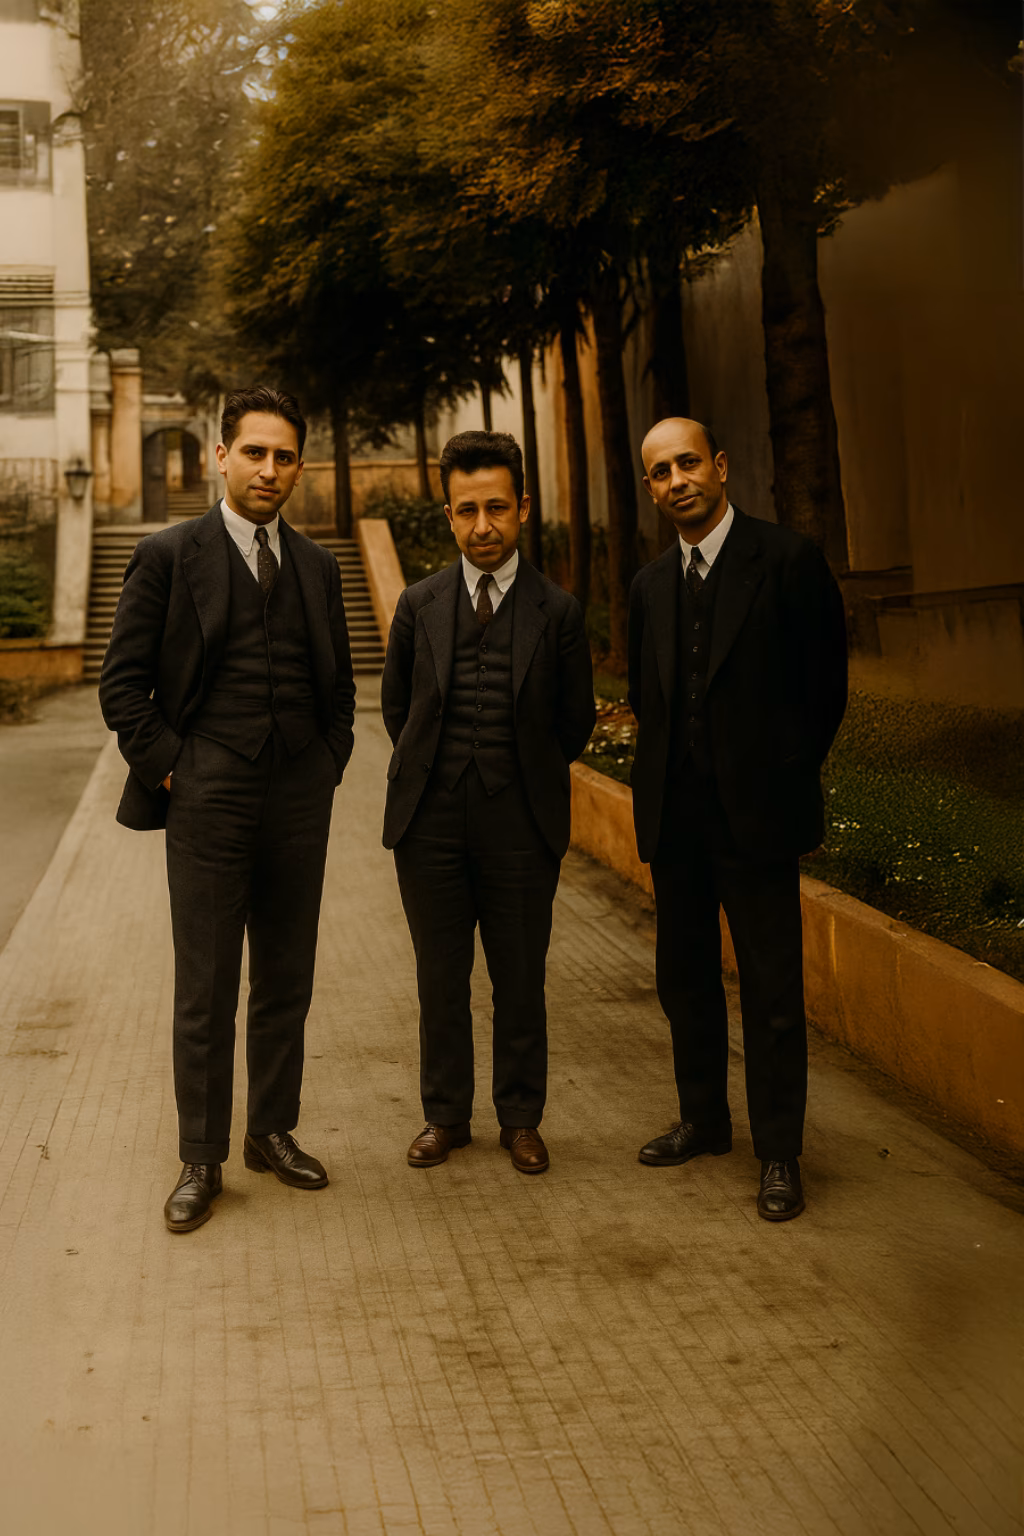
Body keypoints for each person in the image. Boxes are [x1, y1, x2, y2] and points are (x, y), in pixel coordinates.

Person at [99, 386, 355, 1233]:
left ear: (298, 467)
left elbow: (341, 690)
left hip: (296, 798)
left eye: (284, 456)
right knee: (205, 983)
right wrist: (176, 770)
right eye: (255, 452)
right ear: (221, 455)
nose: (269, 470)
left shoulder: (317, 567)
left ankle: (271, 1131)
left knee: (285, 977)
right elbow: (122, 685)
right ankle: (201, 1157)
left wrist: (325, 766)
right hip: (207, 795)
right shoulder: (170, 555)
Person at [629, 417, 847, 1220]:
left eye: (688, 462)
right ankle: (703, 1120)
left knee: (771, 989)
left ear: (719, 467)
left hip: (758, 819)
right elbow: (653, 704)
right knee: (683, 979)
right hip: (676, 820)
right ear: (651, 489)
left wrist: (779, 775)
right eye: (660, 472)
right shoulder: (650, 585)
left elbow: (825, 689)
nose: (677, 479)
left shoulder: (786, 562)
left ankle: (780, 1152)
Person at [381, 430, 595, 1175]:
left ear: (523, 508)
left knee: (519, 977)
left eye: (497, 508)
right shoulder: (418, 603)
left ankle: (521, 1119)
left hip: (521, 823)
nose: (483, 526)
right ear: (447, 513)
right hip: (429, 823)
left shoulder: (558, 611)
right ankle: (445, 1116)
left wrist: (520, 771)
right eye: (467, 510)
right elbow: (397, 709)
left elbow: (575, 721)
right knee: (440, 977)